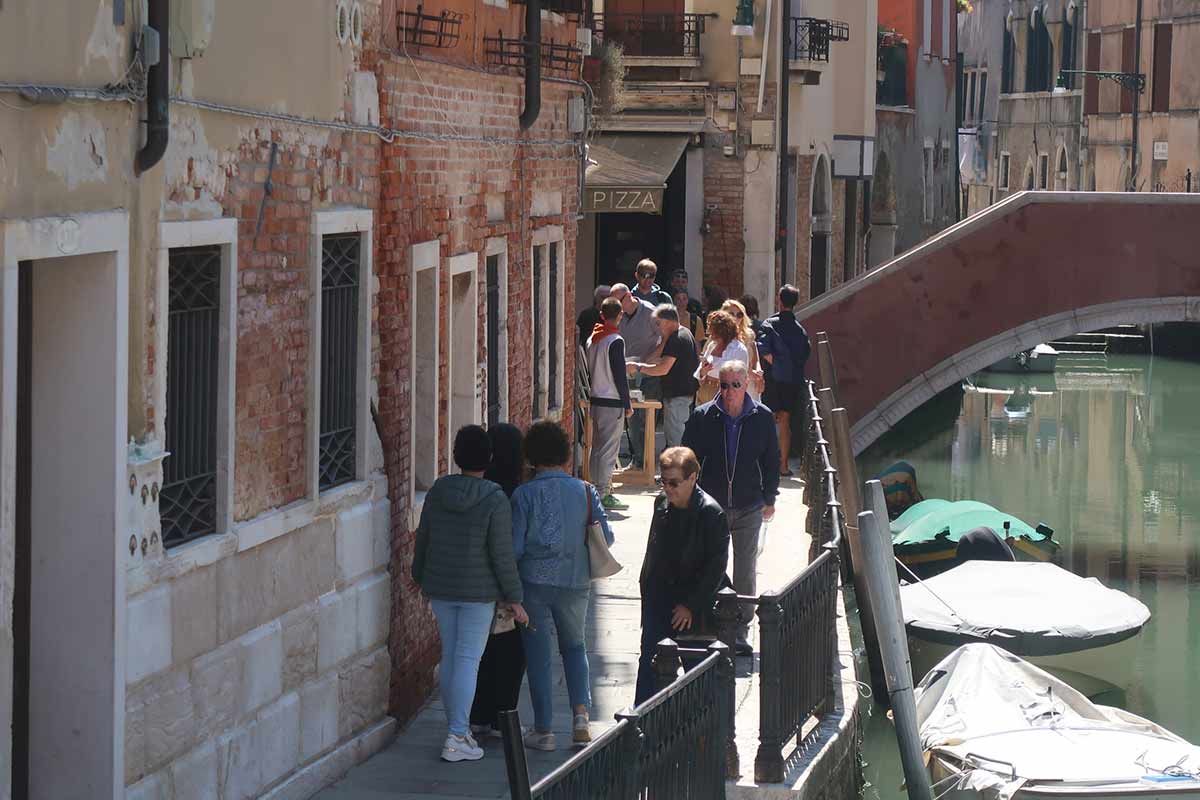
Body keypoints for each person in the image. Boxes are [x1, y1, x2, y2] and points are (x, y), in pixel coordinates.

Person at [412, 425, 528, 762]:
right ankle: (457, 735)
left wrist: (419, 577)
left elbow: (424, 539)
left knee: (451, 657)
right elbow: (502, 555)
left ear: (455, 456)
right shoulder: (494, 498)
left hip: (442, 588)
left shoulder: (438, 491)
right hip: (478, 593)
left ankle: (457, 729)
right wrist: (515, 598)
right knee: (466, 661)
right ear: (488, 459)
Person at [512, 421, 615, 751]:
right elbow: (607, 537)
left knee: (539, 655)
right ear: (563, 454)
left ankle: (543, 730)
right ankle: (581, 717)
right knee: (575, 647)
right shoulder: (585, 490)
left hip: (534, 584)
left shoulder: (523, 494)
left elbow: (514, 547)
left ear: (531, 456)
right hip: (575, 580)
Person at [682, 361, 781, 656]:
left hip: (749, 503)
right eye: (723, 385)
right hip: (712, 506)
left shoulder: (761, 417)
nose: (729, 392)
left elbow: (771, 460)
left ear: (747, 383)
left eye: (735, 385)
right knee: (712, 563)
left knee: (745, 568)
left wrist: (770, 497)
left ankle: (741, 628)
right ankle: (711, 621)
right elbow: (689, 458)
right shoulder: (703, 416)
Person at [635, 447, 730, 704]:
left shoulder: (711, 513)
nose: (668, 489)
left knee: (696, 673)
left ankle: (703, 734)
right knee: (649, 664)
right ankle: (640, 727)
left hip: (691, 608)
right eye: (663, 482)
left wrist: (690, 605)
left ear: (692, 478)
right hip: (660, 599)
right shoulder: (661, 504)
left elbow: (716, 568)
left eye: (674, 483)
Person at [469, 423, 528, 739]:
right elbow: (508, 552)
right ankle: (501, 717)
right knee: (510, 652)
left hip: (474, 587)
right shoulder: (512, 497)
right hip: (504, 590)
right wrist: (515, 595)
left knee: (481, 650)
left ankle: (478, 714)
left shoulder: (481, 493)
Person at [755, 284, 812, 477]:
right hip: (792, 380)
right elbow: (805, 354)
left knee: (768, 420)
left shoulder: (769, 324)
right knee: (785, 421)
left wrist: (777, 365)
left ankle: (765, 465)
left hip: (773, 378)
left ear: (779, 299)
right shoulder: (800, 330)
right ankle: (783, 466)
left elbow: (764, 351)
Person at [626, 305, 699, 449]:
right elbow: (652, 360)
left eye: (658, 323)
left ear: (667, 322)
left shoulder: (677, 338)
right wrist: (663, 341)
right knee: (673, 441)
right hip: (678, 397)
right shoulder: (679, 334)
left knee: (675, 444)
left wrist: (638, 367)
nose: (657, 328)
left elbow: (662, 369)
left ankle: (679, 471)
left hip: (678, 397)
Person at [587, 298, 633, 511]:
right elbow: (619, 375)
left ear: (602, 314)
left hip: (595, 399)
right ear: (620, 315)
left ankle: (595, 490)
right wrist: (627, 402)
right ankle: (604, 492)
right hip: (611, 400)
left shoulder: (593, 339)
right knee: (608, 450)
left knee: (597, 448)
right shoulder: (615, 340)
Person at [610, 283, 661, 469]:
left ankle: (647, 461)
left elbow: (664, 338)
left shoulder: (650, 312)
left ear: (629, 296)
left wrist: (650, 358)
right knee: (631, 417)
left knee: (647, 418)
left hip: (649, 373)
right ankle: (637, 459)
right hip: (628, 373)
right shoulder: (618, 317)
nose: (617, 306)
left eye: (619, 301)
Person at [694, 310, 748, 405]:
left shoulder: (739, 349)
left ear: (721, 330)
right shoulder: (711, 345)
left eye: (711, 328)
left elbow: (741, 377)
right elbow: (699, 373)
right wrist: (703, 371)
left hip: (724, 392)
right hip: (704, 391)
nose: (708, 331)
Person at [721, 298, 765, 400]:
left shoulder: (749, 334)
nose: (736, 317)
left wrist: (758, 371)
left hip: (750, 384)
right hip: (732, 384)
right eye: (731, 314)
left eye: (739, 315)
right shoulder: (719, 337)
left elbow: (755, 357)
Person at [674, 288, 705, 353]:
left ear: (688, 300)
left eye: (684, 299)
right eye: (678, 299)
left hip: (688, 358)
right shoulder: (668, 319)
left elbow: (697, 345)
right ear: (674, 300)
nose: (681, 302)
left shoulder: (695, 320)